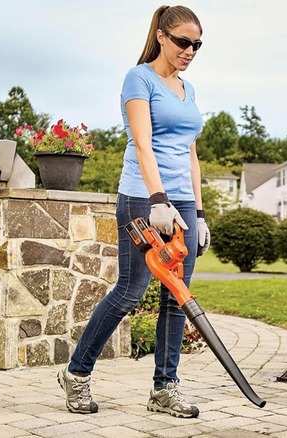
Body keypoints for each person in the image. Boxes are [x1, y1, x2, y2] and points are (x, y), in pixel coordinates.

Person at [58, 5, 210, 419]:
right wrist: (158, 199)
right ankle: (77, 372)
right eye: (183, 42)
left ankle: (165, 388)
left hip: (179, 203)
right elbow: (143, 144)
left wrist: (197, 211)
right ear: (161, 36)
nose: (190, 50)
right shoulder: (138, 78)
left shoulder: (187, 89)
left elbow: (191, 155)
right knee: (130, 290)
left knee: (176, 299)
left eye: (197, 44)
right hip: (144, 198)